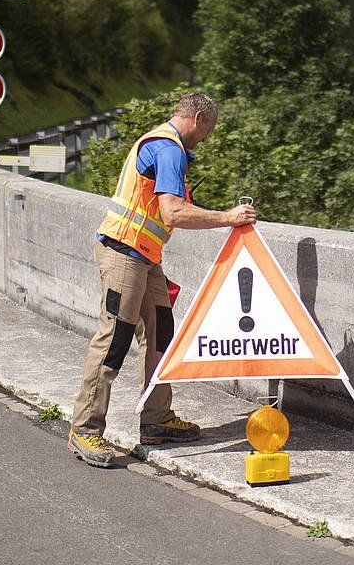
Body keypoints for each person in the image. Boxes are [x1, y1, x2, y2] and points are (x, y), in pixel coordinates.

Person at [68, 91, 257, 467]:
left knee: (161, 334)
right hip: (125, 252)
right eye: (208, 130)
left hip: (145, 256)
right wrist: (228, 217)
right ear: (199, 119)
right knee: (115, 337)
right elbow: (172, 213)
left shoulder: (163, 145)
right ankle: (85, 430)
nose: (206, 138)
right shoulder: (169, 149)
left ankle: (156, 420)